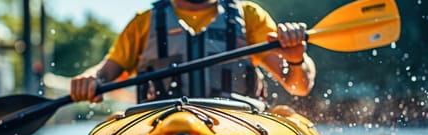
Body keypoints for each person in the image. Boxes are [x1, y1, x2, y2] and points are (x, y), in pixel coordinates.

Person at [70, 0, 315, 104]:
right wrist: (91, 79)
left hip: (237, 123)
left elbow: (299, 86)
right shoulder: (143, 23)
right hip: (162, 126)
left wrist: (295, 61)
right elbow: (105, 71)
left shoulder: (250, 17)